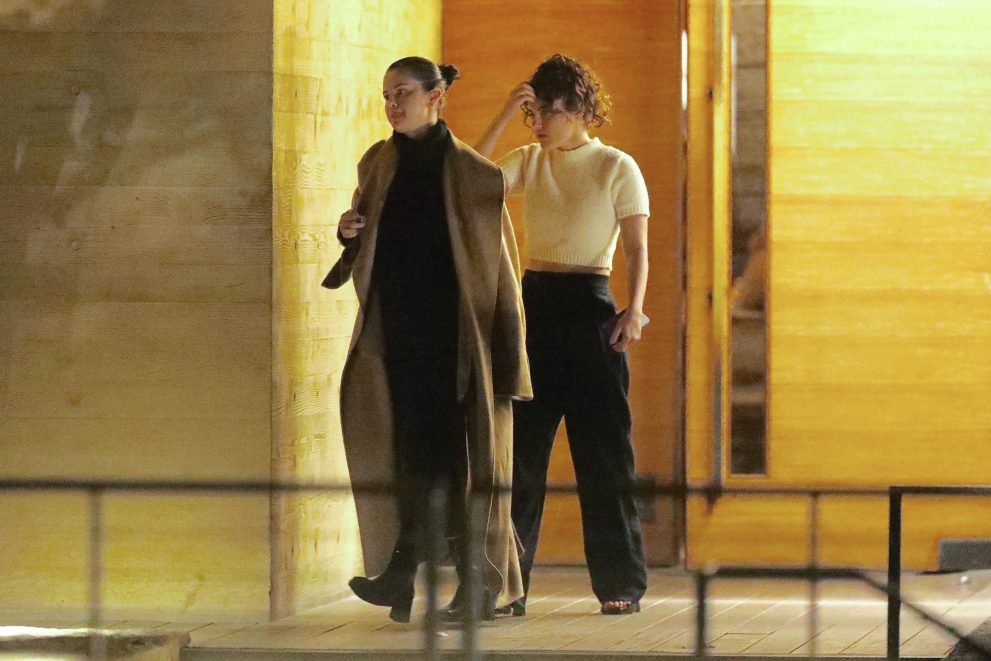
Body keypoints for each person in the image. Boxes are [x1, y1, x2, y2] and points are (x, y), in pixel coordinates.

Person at [324, 56, 531, 622]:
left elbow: (497, 267)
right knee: (417, 459)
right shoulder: (377, 163)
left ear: (436, 95)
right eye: (387, 95)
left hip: (455, 343)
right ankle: (421, 578)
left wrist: (505, 352)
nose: (393, 105)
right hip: (396, 336)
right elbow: (370, 241)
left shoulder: (472, 173)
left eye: (404, 93)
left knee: (450, 464)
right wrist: (347, 231)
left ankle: (434, 578)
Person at [474, 54, 649, 616]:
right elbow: (471, 181)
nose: (539, 123)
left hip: (593, 307)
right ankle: (508, 588)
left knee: (605, 454)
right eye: (533, 112)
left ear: (578, 109)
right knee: (521, 455)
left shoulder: (617, 165)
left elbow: (637, 246)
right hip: (534, 308)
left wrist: (634, 310)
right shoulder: (530, 160)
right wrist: (507, 110)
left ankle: (621, 585)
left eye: (547, 111)